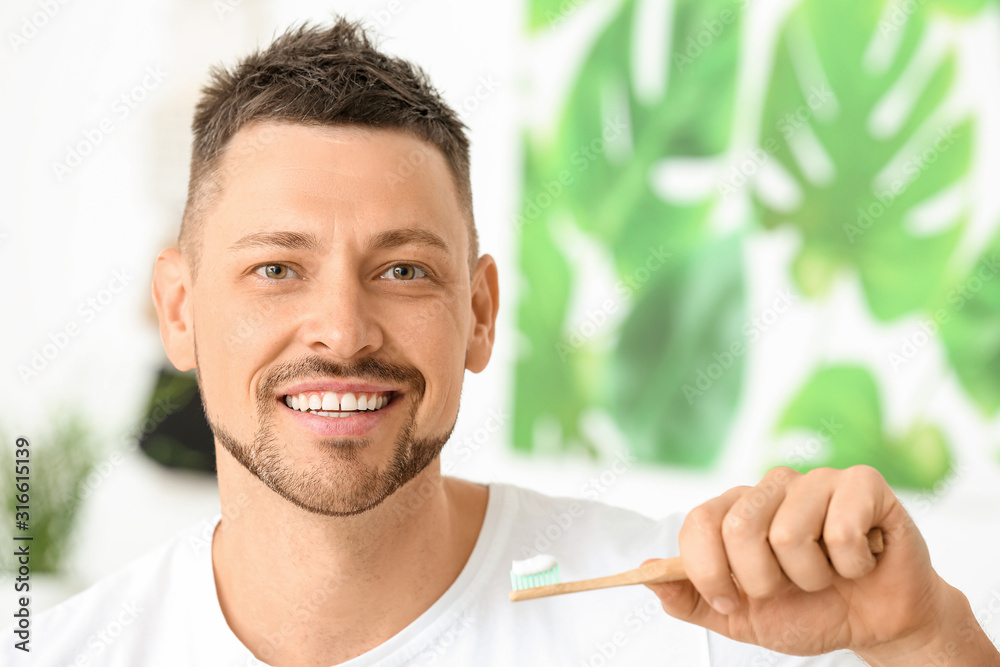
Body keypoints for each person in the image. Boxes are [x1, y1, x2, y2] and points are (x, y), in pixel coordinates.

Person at [7, 17, 998, 667]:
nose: (344, 330)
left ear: (479, 313)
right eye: (277, 268)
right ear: (178, 310)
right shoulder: (63, 652)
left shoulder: (684, 621)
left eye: (404, 269)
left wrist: (922, 635)